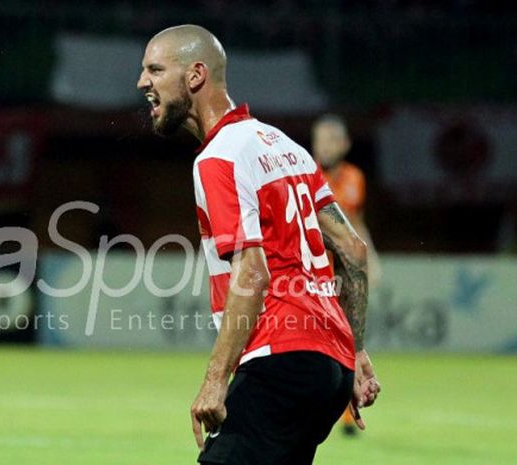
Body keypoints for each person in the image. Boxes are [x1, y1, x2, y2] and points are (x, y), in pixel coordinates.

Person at [137, 25, 381, 465]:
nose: (142, 83)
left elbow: (252, 272)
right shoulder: (287, 147)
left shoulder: (218, 158)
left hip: (280, 358)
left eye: (155, 69)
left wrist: (216, 379)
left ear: (195, 76)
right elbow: (353, 250)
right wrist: (356, 349)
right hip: (330, 367)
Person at [311, 114, 383, 436]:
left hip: (344, 276)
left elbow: (357, 222)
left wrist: (373, 260)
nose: (322, 147)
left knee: (347, 342)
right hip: (313, 275)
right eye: (318, 140)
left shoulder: (355, 178)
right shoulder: (304, 175)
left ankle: (345, 411)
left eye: (329, 140)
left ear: (345, 144)